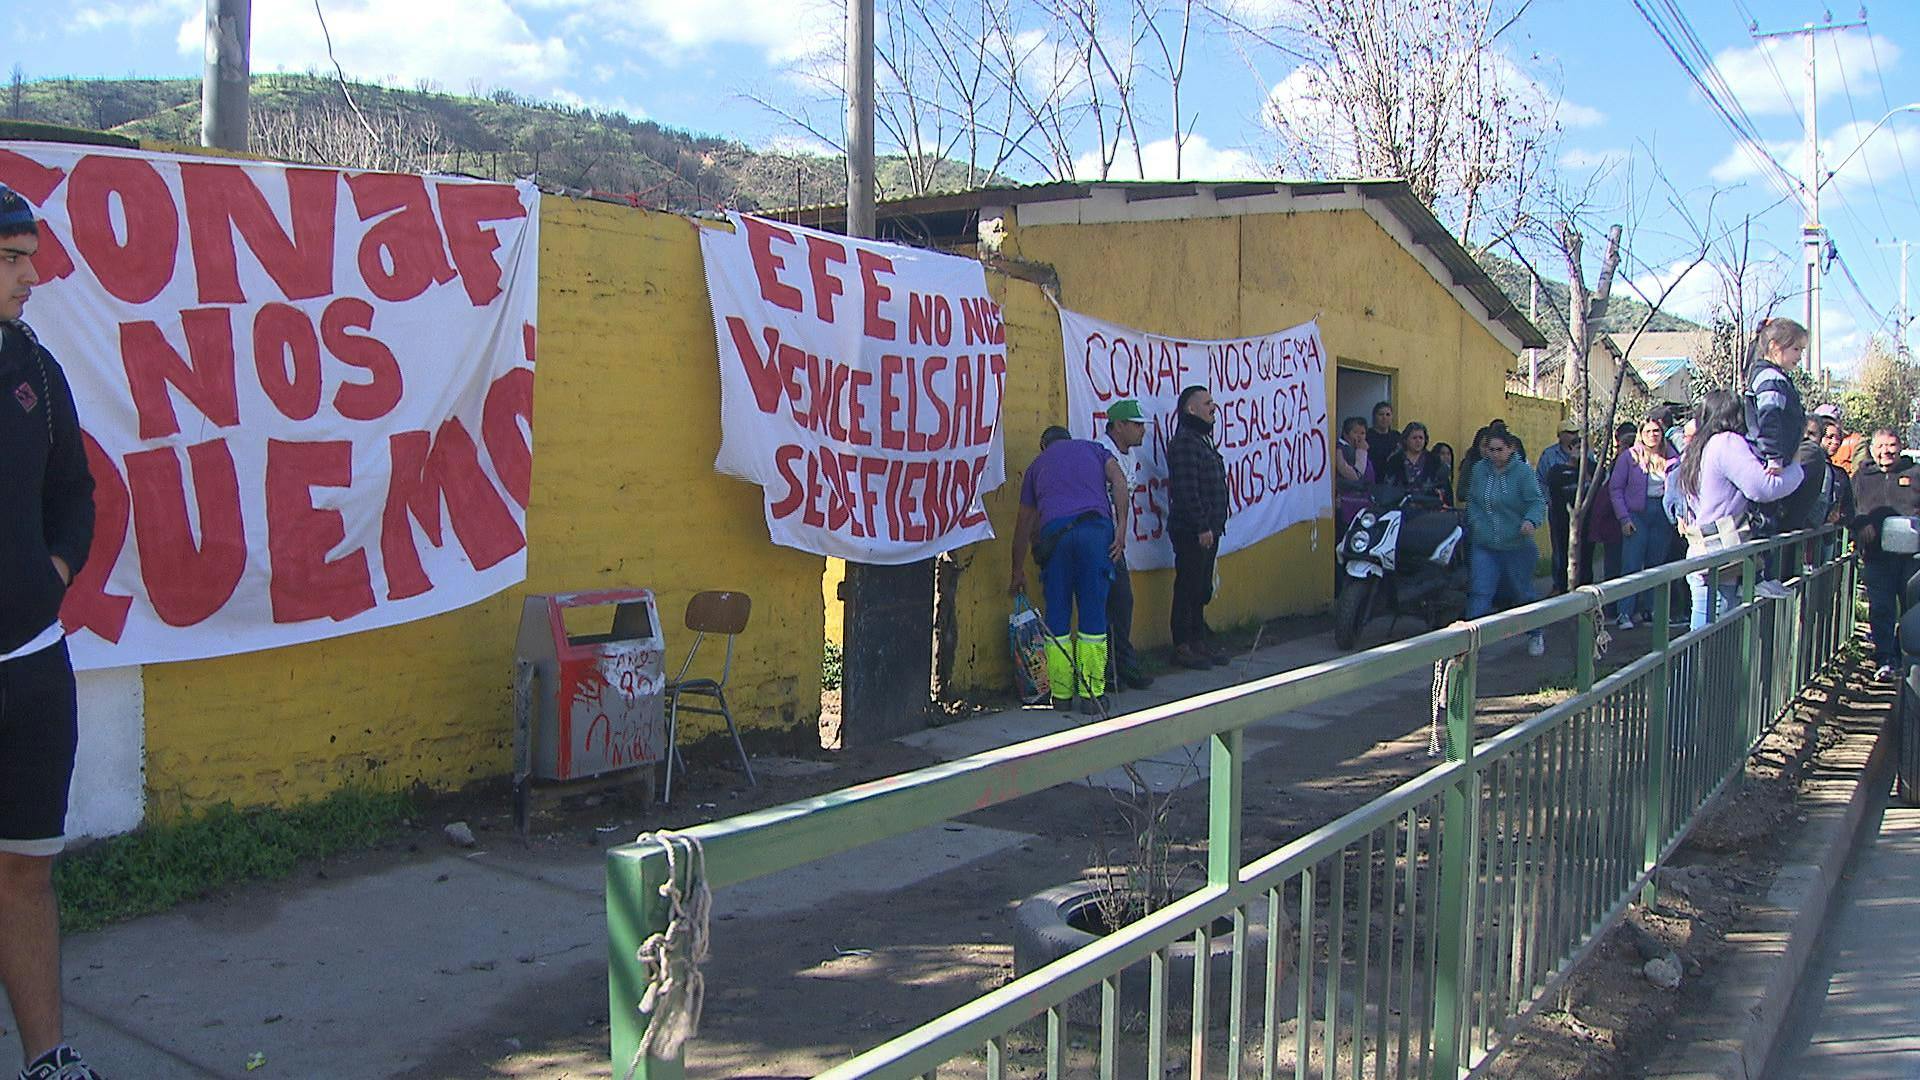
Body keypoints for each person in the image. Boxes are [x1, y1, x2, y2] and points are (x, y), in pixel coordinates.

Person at [0, 184, 104, 1080]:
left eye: (27, 255)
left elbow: (76, 494)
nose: (30, 275)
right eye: (8, 259)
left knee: (24, 871)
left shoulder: (35, 370)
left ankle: (48, 1059)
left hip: (31, 667)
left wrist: (53, 576)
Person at [1009, 426, 1130, 713]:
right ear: (1069, 438)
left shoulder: (1036, 466)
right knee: (1093, 615)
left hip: (1056, 539)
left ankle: (1061, 697)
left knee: (1058, 616)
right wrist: (1122, 529)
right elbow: (1120, 481)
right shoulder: (1095, 450)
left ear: (1043, 445)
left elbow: (1024, 524)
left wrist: (1016, 571)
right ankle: (1091, 696)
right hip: (1095, 534)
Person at [1671, 390, 1804, 631]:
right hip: (1722, 559)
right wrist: (1797, 469)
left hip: (1703, 552)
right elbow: (1762, 488)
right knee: (1709, 648)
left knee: (1699, 641)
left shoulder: (1698, 447)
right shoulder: (1726, 443)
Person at [1463, 430, 1548, 655]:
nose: (1494, 455)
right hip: (1485, 544)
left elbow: (1537, 502)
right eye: (1490, 450)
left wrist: (1531, 521)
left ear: (1511, 449)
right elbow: (1472, 501)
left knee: (1523, 593)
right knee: (1480, 592)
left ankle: (1536, 634)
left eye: (1499, 449)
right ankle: (1471, 646)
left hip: (1517, 545)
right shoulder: (1480, 470)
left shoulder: (1523, 473)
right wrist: (1477, 523)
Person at [1847, 429, 1920, 681]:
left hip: (1912, 558)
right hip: (1876, 555)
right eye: (1880, 446)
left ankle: (1906, 656)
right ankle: (1885, 658)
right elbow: (1850, 510)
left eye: (1891, 446)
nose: (1886, 451)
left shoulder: (1915, 474)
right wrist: (1859, 531)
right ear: (1872, 448)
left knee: (1912, 608)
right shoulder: (1861, 477)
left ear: (1901, 447)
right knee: (1881, 607)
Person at [1166, 385, 1230, 670]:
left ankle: (1198, 640)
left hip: (1210, 529)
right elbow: (1186, 490)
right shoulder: (1185, 444)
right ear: (1190, 409)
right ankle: (1182, 645)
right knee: (1188, 586)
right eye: (1207, 403)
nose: (1213, 408)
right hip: (1192, 530)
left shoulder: (1203, 441)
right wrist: (1202, 526)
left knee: (1201, 587)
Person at [1095, 400, 1153, 691]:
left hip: (1114, 538)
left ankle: (1121, 665)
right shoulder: (1102, 452)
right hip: (1101, 537)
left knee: (1121, 602)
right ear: (1119, 425)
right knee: (1108, 603)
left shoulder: (1127, 455)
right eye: (1136, 424)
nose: (1142, 431)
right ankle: (1108, 671)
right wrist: (1118, 531)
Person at [1610, 416, 1677, 629]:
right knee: (1631, 563)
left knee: (1656, 564)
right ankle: (1624, 613)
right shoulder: (1630, 457)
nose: (1652, 435)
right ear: (1641, 434)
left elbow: (1680, 487)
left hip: (1662, 513)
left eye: (1656, 431)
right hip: (1636, 513)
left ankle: (1650, 610)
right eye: (1648, 431)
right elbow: (1615, 488)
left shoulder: (1672, 456)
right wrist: (1624, 518)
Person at [1535, 420, 1592, 594]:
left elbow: (1594, 477)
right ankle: (1559, 585)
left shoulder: (1587, 453)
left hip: (1582, 509)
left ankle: (1583, 584)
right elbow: (1540, 480)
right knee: (1560, 548)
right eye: (1569, 432)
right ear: (1560, 435)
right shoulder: (1549, 455)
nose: (1573, 436)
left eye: (1575, 433)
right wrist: (1548, 500)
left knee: (1584, 548)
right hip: (1559, 510)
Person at [1381, 421, 1451, 504]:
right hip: (1401, 506)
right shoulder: (1395, 460)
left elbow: (1443, 487)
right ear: (1406, 439)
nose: (1418, 441)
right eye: (1414, 438)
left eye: (1421, 438)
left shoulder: (1434, 460)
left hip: (1428, 509)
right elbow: (1388, 487)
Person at [1334, 415, 1375, 535]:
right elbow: (1355, 475)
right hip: (1346, 503)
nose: (1360, 436)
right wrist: (1362, 451)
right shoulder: (1341, 449)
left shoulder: (1355, 449)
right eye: (1355, 432)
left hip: (1361, 503)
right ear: (1346, 434)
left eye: (1362, 433)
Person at [1365, 400, 1399, 476]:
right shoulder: (1367, 436)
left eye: (1388, 415)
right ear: (1374, 416)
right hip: (1373, 479)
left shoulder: (1396, 436)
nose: (1384, 417)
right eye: (1381, 414)